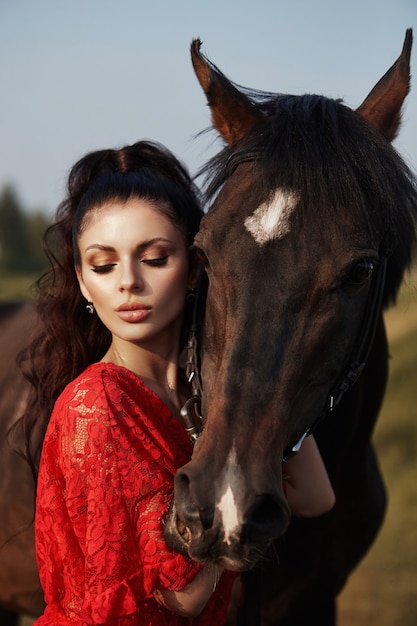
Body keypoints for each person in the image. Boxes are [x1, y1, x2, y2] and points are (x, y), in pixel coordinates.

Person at [18, 139, 334, 626]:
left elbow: (316, 497)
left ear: (192, 269)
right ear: (83, 281)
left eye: (155, 258)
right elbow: (183, 594)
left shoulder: (202, 391)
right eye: (103, 265)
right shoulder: (98, 403)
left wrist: (256, 381)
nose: (127, 281)